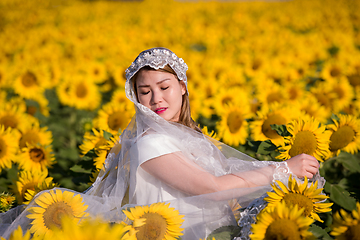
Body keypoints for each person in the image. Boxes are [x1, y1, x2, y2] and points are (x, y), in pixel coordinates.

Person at [0, 47, 321, 239]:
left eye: (164, 86)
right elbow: (209, 187)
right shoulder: (149, 143)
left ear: (182, 87)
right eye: (145, 91)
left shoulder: (186, 136)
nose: (156, 98)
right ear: (135, 97)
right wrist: (279, 170)